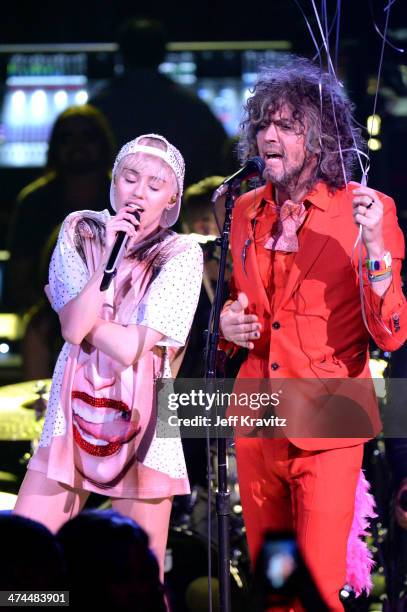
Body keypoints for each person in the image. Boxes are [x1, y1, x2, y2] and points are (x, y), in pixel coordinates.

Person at [219, 56, 407, 610]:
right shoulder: (246, 209)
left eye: (287, 125)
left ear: (321, 136)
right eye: (263, 124)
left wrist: (375, 249)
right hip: (260, 423)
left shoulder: (366, 210)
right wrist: (229, 326)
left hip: (328, 421)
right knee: (276, 589)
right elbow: (242, 312)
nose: (269, 136)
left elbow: (391, 333)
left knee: (320, 586)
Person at [12, 133, 203, 581]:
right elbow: (71, 331)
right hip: (72, 407)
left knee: (142, 577)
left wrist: (75, 315)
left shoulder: (181, 254)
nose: (138, 192)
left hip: (146, 416)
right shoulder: (81, 228)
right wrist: (103, 267)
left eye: (155, 185)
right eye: (130, 178)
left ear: (172, 198)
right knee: (19, 571)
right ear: (113, 180)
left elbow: (130, 346)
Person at [90, 17, 229, 187]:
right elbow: (221, 158)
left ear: (122, 54)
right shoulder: (193, 106)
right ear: (163, 54)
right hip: (179, 207)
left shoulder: (98, 107)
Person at [7, 104, 115, 312]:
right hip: (48, 320)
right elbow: (18, 280)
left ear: (103, 143)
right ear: (55, 146)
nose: (78, 145)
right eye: (66, 138)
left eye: (87, 136)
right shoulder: (33, 202)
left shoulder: (126, 199)